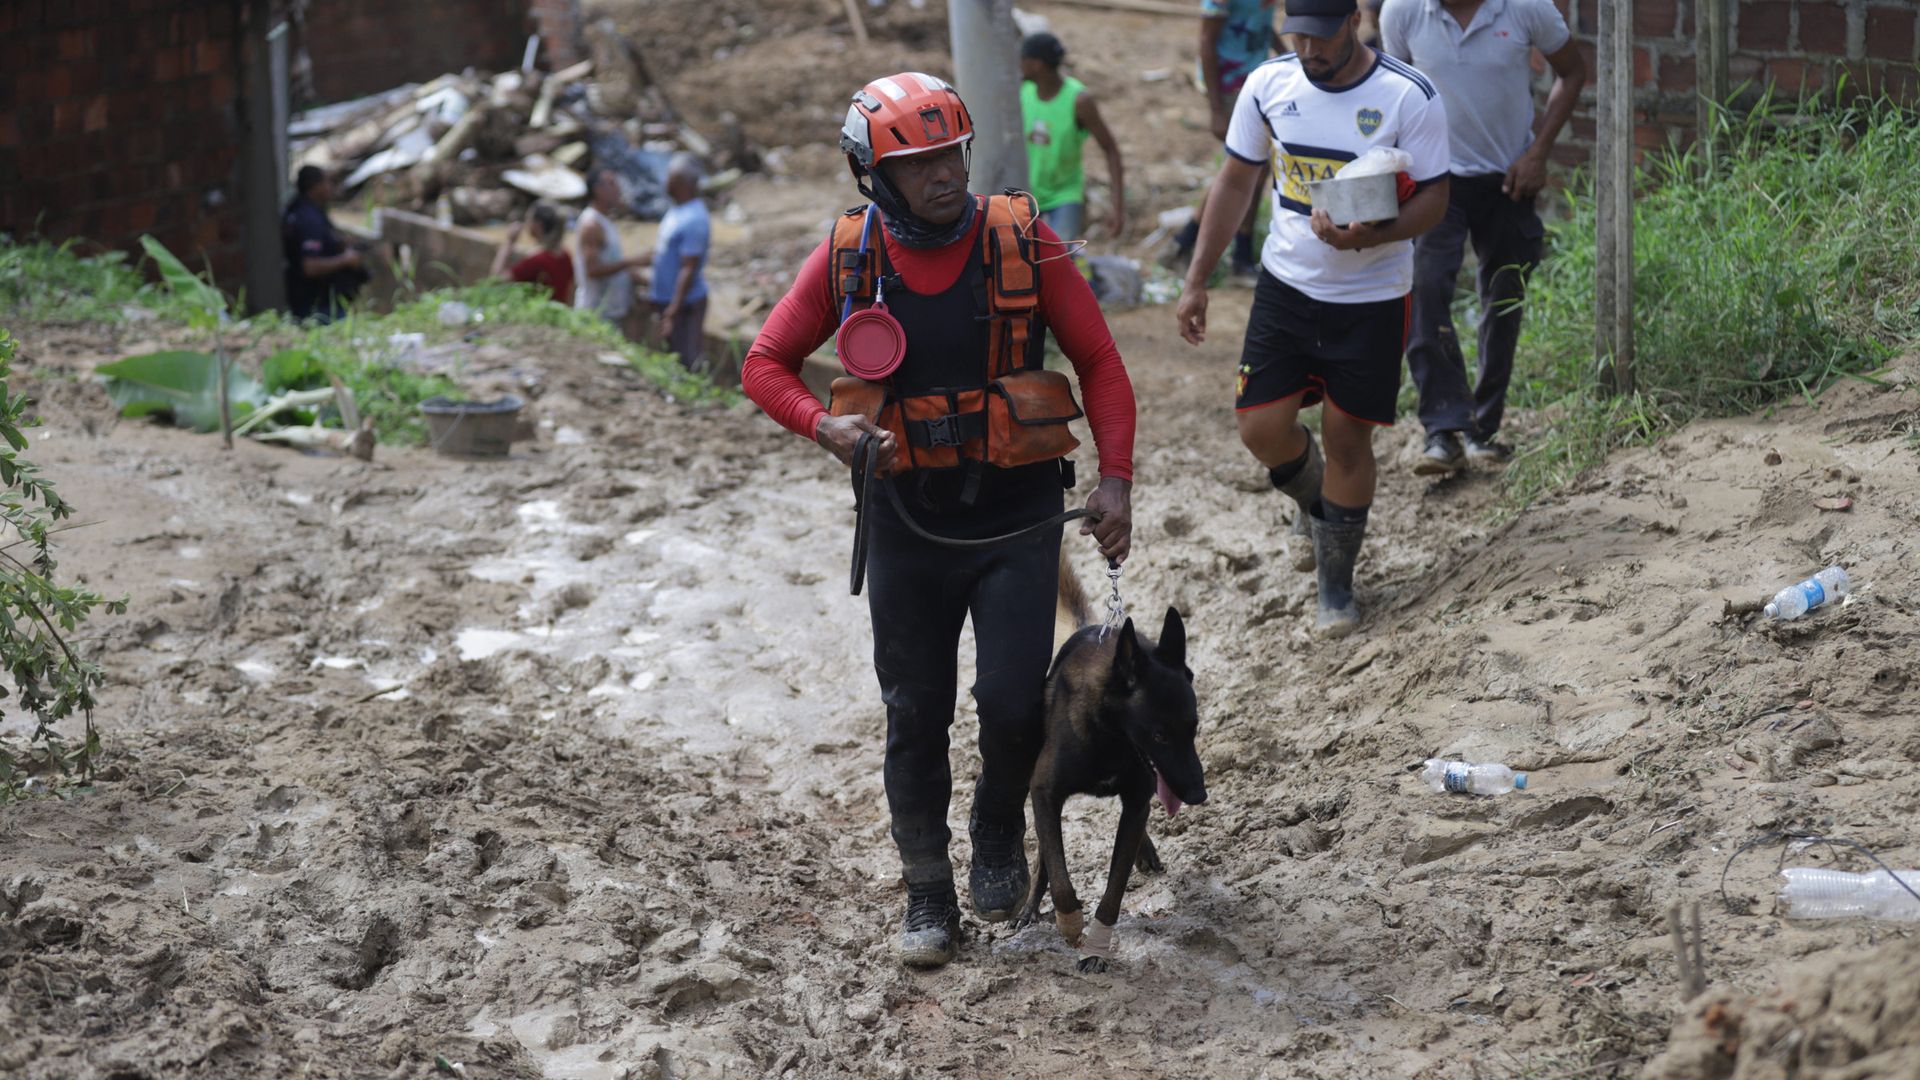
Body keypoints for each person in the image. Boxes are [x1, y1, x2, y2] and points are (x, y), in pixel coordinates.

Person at [740, 72, 1137, 969]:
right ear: (872, 176)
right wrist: (823, 423)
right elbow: (765, 363)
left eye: (950, 154)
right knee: (913, 711)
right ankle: (927, 888)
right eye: (917, 164)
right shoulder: (848, 257)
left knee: (1006, 703)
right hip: (909, 526)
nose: (943, 175)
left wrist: (1114, 481)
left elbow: (1102, 364)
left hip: (1017, 516)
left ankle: (997, 825)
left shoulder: (1024, 239)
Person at [1175, 0, 1449, 637]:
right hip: (1288, 286)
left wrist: (1364, 240)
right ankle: (1312, 497)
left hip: (1374, 295)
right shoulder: (1268, 85)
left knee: (1348, 436)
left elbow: (1436, 198)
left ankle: (1336, 584)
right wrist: (1197, 280)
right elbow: (1236, 183)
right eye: (1296, 37)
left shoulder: (1409, 96)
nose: (1309, 52)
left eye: (1320, 38)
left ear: (1354, 20)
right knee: (1259, 428)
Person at [1381, 0, 1587, 473]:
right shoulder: (1404, 11)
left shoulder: (1526, 8)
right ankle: (1442, 429)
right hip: (1436, 182)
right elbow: (1391, 91)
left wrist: (1538, 153)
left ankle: (1484, 427)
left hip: (1508, 178)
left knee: (1504, 296)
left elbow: (1573, 73)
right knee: (1427, 290)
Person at [1171, 0, 1277, 276]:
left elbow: (1262, 25)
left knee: (1247, 168)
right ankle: (1236, 256)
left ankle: (1186, 241)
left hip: (1255, 79)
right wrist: (1216, 109)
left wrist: (1289, 56)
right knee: (1246, 168)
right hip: (1230, 86)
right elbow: (1207, 42)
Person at [1018, 32, 1126, 240]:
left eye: (1023, 59)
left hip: (1064, 194)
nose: (1018, 64)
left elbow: (1111, 150)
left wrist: (1118, 209)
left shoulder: (1078, 101)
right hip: (1029, 194)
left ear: (1037, 64)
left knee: (1060, 258)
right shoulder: (1024, 92)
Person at [648, 153, 712, 370]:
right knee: (673, 354)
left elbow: (688, 268)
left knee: (687, 358)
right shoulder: (678, 210)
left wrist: (673, 308)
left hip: (685, 304)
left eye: (670, 177)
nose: (665, 182)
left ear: (683, 183)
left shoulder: (694, 219)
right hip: (670, 301)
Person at [282, 165, 368, 323]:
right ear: (316, 187)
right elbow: (310, 267)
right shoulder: (308, 218)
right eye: (327, 182)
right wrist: (346, 259)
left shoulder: (305, 210)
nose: (331, 187)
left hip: (316, 301)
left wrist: (338, 244)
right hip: (317, 306)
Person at [574, 167, 648, 338]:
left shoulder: (605, 221)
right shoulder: (591, 225)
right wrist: (632, 261)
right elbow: (592, 270)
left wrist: (645, 281)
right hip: (595, 315)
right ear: (597, 190)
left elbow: (613, 262)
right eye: (612, 184)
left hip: (609, 314)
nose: (618, 189)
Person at [489, 201, 574, 305]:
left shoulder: (537, 260)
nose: (526, 223)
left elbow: (496, 281)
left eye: (528, 219)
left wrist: (509, 242)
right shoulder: (566, 256)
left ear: (537, 225)